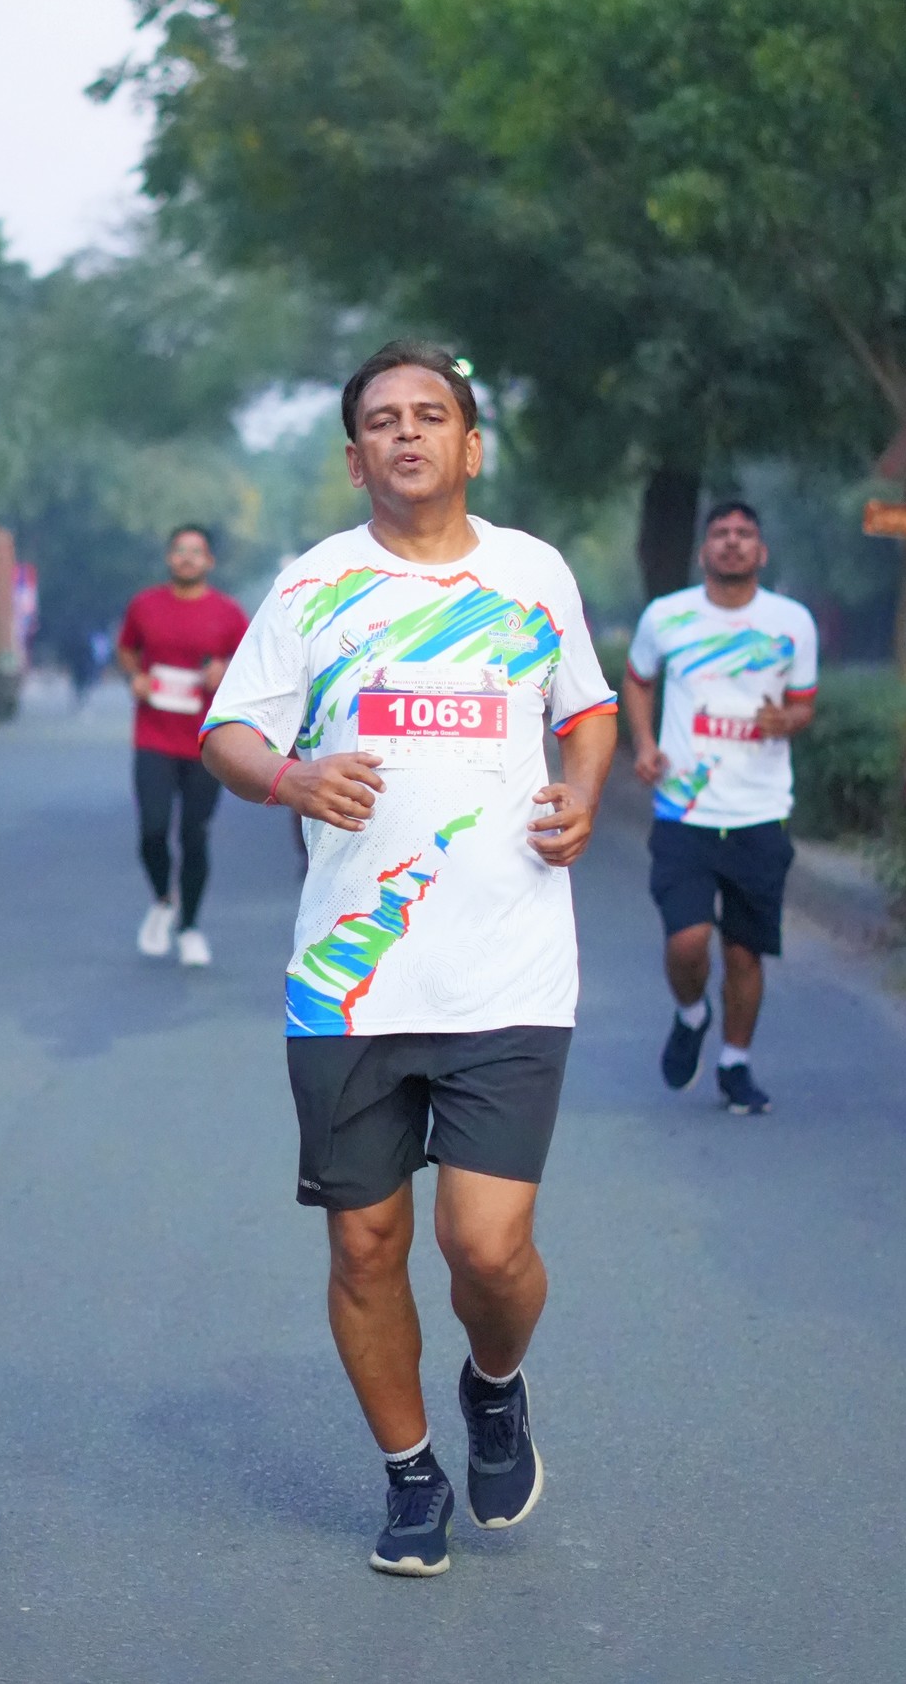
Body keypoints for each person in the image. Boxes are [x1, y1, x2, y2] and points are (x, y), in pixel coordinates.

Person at [201, 341, 617, 1576]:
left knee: (485, 1247)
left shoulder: (531, 573)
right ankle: (408, 1471)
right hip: (350, 980)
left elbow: (586, 709)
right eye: (381, 420)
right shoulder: (313, 585)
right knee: (364, 1246)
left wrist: (583, 790)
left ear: (469, 445)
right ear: (354, 457)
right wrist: (291, 777)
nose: (406, 433)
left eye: (429, 415)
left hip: (510, 967)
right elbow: (228, 731)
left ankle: (493, 1381)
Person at [624, 500, 817, 1115]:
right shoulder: (667, 616)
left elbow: (804, 704)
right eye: (721, 533)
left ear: (761, 551)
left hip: (760, 811)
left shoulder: (792, 623)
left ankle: (736, 1064)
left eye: (744, 534)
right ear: (704, 549)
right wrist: (646, 744)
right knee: (687, 942)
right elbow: (638, 680)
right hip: (684, 810)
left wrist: (788, 720)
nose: (733, 542)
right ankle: (691, 1013)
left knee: (743, 951)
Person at [117, 526, 249, 966]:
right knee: (152, 830)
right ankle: (163, 898)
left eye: (196, 551)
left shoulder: (227, 613)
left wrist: (225, 670)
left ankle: (189, 927)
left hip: (205, 740)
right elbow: (127, 649)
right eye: (180, 550)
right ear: (169, 558)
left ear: (209, 561)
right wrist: (135, 677)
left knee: (194, 835)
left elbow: (251, 663)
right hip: (154, 734)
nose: (187, 558)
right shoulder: (145, 605)